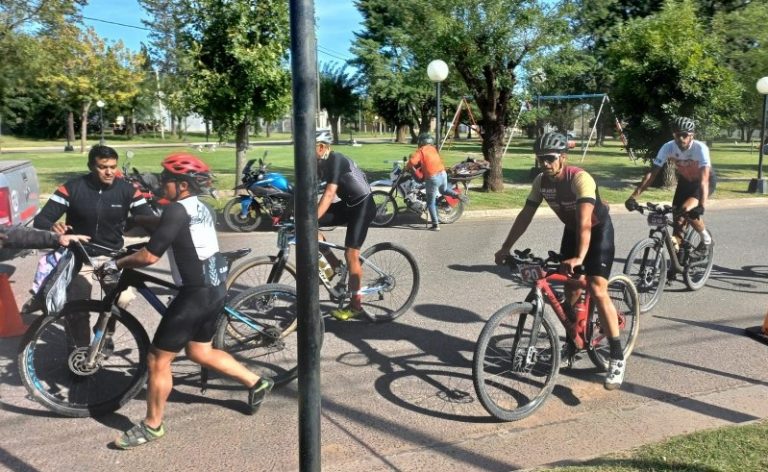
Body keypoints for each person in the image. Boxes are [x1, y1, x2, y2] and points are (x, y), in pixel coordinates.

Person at [106, 154, 273, 449]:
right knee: (199, 351)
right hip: (214, 289)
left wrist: (117, 264)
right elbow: (169, 226)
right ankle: (256, 382)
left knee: (158, 359)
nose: (161, 183)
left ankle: (152, 426)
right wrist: (133, 219)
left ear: (182, 185)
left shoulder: (176, 211)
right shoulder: (199, 207)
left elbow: (149, 256)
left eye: (166, 179)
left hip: (195, 294)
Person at [494, 132, 626, 390]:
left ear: (563, 157)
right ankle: (572, 344)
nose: (545, 163)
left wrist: (579, 257)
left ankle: (617, 358)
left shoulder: (580, 178)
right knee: (570, 288)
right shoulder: (541, 182)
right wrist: (506, 247)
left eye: (550, 158)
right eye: (541, 158)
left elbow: (586, 222)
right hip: (572, 230)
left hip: (597, 231)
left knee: (598, 288)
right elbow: (525, 215)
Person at [33, 145, 155, 306]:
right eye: (103, 167)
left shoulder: (129, 191)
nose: (109, 172)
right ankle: (78, 328)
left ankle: (105, 327)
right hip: (79, 256)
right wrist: (53, 228)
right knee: (76, 308)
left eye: (112, 167)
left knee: (123, 299)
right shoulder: (71, 188)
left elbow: (150, 221)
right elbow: (41, 220)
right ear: (90, 166)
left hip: (111, 256)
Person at [625, 116, 715, 251]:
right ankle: (676, 263)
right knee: (677, 217)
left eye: (685, 135)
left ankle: (706, 239)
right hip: (685, 182)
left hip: (702, 182)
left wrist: (701, 205)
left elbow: (704, 180)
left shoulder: (700, 148)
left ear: (692, 136)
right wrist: (633, 197)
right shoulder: (668, 147)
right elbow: (652, 174)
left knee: (686, 210)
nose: (681, 139)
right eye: (677, 135)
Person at [315, 131, 377, 321]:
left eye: (311, 147)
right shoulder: (318, 164)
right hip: (348, 204)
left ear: (322, 147)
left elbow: (328, 194)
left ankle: (356, 306)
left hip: (363, 206)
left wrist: (312, 216)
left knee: (351, 254)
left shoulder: (336, 159)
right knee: (309, 228)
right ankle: (333, 265)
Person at [406, 133, 468, 231]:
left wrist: (407, 167)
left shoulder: (421, 151)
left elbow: (413, 162)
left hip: (433, 177)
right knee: (443, 190)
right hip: (442, 174)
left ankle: (435, 225)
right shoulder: (433, 149)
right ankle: (457, 195)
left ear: (421, 142)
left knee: (431, 202)